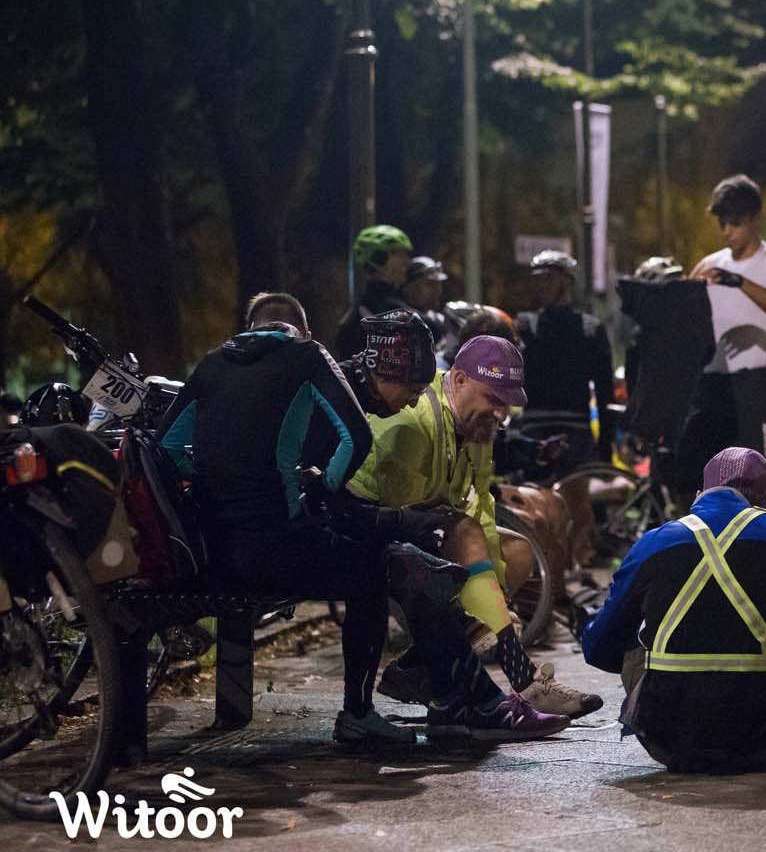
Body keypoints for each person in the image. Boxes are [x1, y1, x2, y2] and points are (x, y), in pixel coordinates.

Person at [167, 300, 569, 743]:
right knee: (394, 567)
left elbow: (167, 446)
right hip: (274, 545)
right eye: (413, 388)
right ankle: (398, 709)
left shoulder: (212, 363)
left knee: (403, 560)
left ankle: (460, 699)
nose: (416, 399)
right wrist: (324, 490)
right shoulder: (308, 359)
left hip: (215, 547)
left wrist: (211, 484)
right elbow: (354, 438)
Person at [348, 333, 603, 717]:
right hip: (366, 531)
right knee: (463, 532)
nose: (501, 413)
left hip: (420, 527)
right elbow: (407, 516)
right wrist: (490, 616)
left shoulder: (476, 425)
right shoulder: (413, 421)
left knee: (516, 552)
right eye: (494, 399)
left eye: (507, 404)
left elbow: (481, 505)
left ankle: (418, 669)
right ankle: (525, 681)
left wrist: (496, 599)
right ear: (460, 380)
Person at [581, 447, 766, 773]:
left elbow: (599, 649)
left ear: (699, 496)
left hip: (667, 742)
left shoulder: (655, 541)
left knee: (633, 638)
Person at [679, 175, 766, 496]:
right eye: (722, 222)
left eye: (735, 221)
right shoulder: (708, 265)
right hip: (711, 384)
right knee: (700, 480)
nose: (726, 230)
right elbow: (680, 323)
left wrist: (740, 283)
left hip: (753, 384)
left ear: (755, 218)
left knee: (757, 484)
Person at [514, 250, 615, 471]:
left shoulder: (590, 329)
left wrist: (605, 445)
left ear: (567, 280)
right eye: (538, 279)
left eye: (548, 278)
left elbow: (604, 391)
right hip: (534, 429)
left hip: (576, 433)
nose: (542, 285)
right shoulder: (524, 326)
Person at [334, 224, 415, 361]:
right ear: (379, 260)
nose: (407, 262)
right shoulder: (382, 309)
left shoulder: (358, 311)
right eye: (400, 255)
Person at [403, 255, 449, 340]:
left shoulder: (440, 321)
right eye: (430, 284)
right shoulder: (398, 320)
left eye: (438, 285)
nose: (437, 290)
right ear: (410, 286)